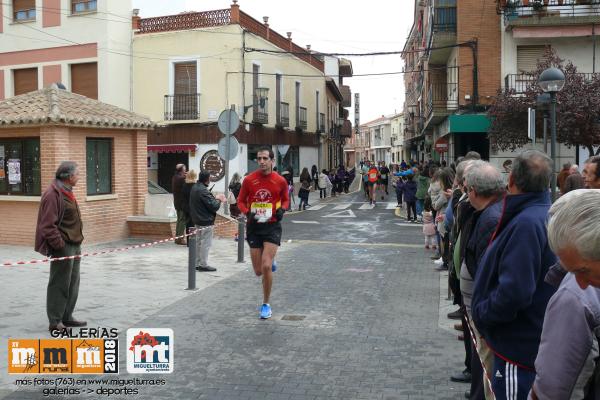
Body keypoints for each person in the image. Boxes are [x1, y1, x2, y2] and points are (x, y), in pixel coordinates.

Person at [472, 150, 558, 400]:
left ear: (511, 180)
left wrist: (484, 315)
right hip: (525, 342)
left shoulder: (526, 223)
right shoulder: (538, 214)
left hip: (516, 348)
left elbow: (515, 292)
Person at [530, 189, 600, 400]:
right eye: (570, 271)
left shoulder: (575, 298)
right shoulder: (574, 294)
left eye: (582, 270)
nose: (579, 282)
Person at [461, 161, 506, 400]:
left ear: (474, 191)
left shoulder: (491, 218)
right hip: (480, 310)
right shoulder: (486, 213)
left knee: (488, 373)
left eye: (466, 187)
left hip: (485, 314)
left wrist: (482, 311)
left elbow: (487, 271)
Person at [237, 146, 289, 319]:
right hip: (254, 226)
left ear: (272, 161)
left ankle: (266, 304)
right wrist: (247, 212)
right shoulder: (249, 180)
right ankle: (270, 262)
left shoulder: (280, 180)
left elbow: (286, 199)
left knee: (266, 266)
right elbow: (240, 201)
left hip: (272, 226)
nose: (261, 162)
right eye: (259, 158)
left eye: (265, 158)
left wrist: (283, 209)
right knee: (258, 271)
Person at [35, 161, 86, 333]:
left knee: (73, 282)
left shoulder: (67, 191)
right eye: (77, 174)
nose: (79, 177)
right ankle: (55, 321)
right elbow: (47, 225)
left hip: (75, 244)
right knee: (59, 283)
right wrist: (60, 245)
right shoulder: (53, 194)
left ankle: (67, 317)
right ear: (69, 177)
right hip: (64, 246)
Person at [189, 171, 226, 272]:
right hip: (205, 221)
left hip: (197, 219)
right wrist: (219, 199)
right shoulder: (203, 190)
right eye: (209, 178)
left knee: (198, 242)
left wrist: (211, 196)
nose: (210, 180)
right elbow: (214, 206)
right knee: (205, 243)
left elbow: (203, 202)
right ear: (207, 179)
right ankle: (203, 264)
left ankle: (197, 263)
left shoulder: (195, 187)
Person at [172, 163, 187, 245]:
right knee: (182, 220)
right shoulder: (181, 178)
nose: (185, 170)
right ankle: (180, 239)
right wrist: (187, 176)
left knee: (179, 220)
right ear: (182, 170)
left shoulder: (175, 177)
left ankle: (177, 238)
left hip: (177, 202)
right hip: (182, 203)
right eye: (184, 169)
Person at [181, 169, 198, 244]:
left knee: (188, 224)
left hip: (186, 207)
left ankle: (189, 241)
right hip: (193, 208)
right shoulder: (195, 186)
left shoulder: (185, 185)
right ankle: (192, 242)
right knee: (193, 224)